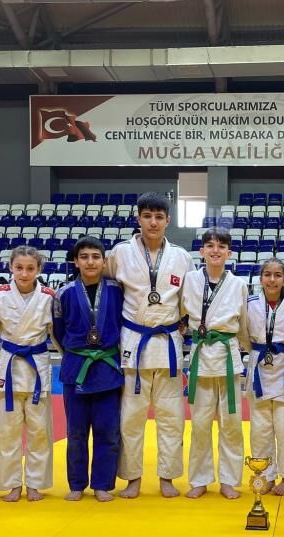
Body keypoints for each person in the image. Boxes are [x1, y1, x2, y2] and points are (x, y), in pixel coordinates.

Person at [106, 192, 193, 499]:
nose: (153, 222)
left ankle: (167, 477)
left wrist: (182, 325)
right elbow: (106, 290)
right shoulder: (120, 253)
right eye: (147, 216)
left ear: (168, 220)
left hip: (168, 345)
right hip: (134, 344)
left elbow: (189, 299)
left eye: (158, 217)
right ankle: (133, 478)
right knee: (131, 418)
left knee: (172, 418)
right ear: (138, 219)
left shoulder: (182, 257)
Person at [53, 237, 125, 501]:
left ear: (104, 261)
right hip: (76, 367)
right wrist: (75, 353)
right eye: (84, 257)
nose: (90, 262)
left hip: (107, 368)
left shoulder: (117, 290)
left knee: (108, 430)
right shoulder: (64, 293)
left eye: (96, 257)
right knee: (76, 432)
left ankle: (102, 484)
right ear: (76, 261)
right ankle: (76, 484)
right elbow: (57, 331)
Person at [0, 246, 56, 502]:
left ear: (39, 270)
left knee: (40, 431)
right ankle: (12, 483)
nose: (24, 274)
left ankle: (35, 483)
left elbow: (57, 335)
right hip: (9, 366)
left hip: (37, 366)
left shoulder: (49, 297)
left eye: (30, 268)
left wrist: (69, 357)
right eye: (19, 268)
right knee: (7, 432)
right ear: (10, 268)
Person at [181, 227, 249, 499]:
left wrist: (246, 349)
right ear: (201, 251)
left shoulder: (238, 284)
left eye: (221, 246)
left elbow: (244, 322)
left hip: (227, 354)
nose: (215, 250)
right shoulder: (189, 280)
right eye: (210, 245)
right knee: (199, 424)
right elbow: (180, 314)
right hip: (200, 354)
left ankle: (229, 480)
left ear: (229, 253)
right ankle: (200, 479)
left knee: (231, 423)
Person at [246, 257, 284, 496]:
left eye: (277, 275)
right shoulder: (249, 304)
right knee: (260, 429)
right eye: (267, 275)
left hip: (283, 370)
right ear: (260, 278)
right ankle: (265, 475)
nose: (272, 280)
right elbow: (243, 336)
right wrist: (255, 351)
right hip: (258, 366)